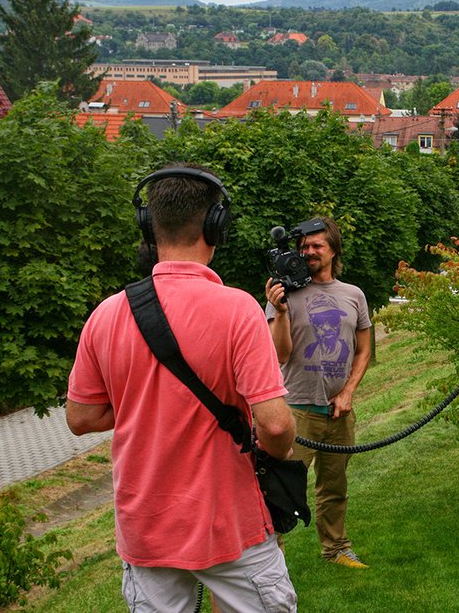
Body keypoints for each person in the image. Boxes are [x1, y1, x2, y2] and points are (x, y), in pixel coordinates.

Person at [66, 165, 298, 612]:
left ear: (149, 227)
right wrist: (281, 448)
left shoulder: (106, 314)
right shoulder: (239, 311)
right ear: (216, 227)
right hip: (227, 522)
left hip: (145, 523)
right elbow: (274, 424)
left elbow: (81, 418)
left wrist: (145, 400)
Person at [265, 217, 372, 569]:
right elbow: (278, 354)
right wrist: (280, 312)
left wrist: (348, 393)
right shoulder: (286, 294)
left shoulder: (354, 295)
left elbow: (363, 350)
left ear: (333, 250)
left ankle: (336, 548)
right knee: (280, 489)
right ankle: (269, 555)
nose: (308, 252)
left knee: (334, 486)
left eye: (317, 246)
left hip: (339, 412)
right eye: (304, 247)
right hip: (295, 409)